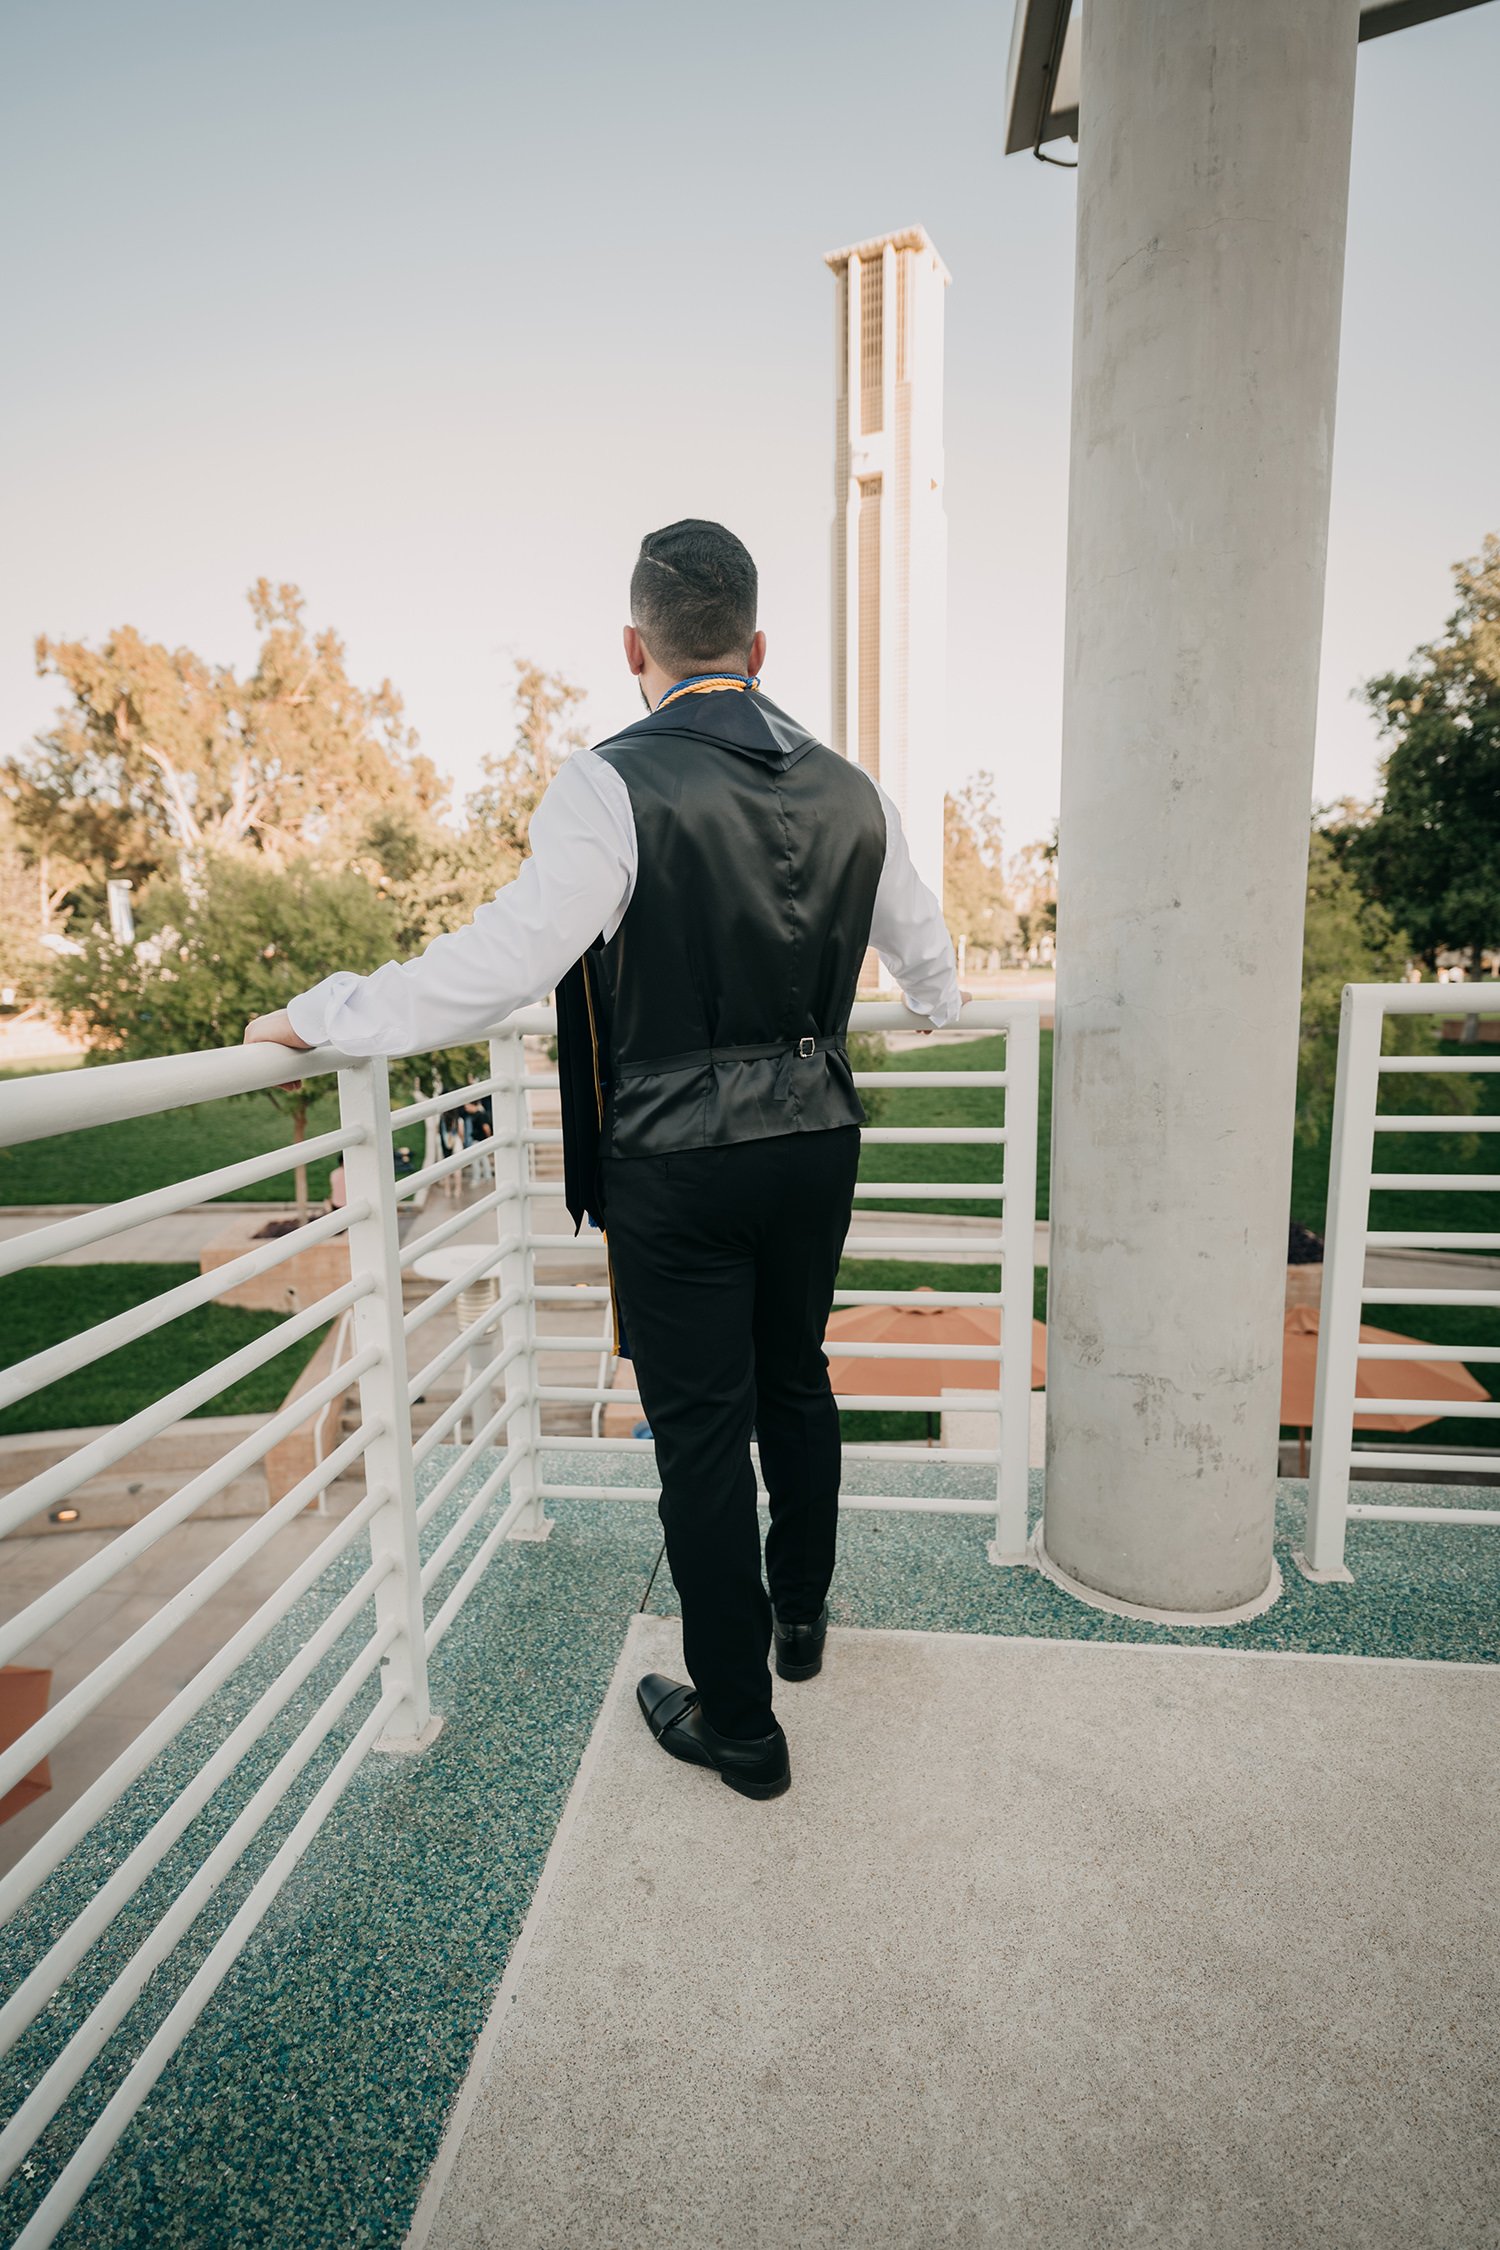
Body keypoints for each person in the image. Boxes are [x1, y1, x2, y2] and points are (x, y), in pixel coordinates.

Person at [245, 519, 961, 1801]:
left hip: (678, 1159)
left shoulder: (609, 784)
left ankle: (740, 1724)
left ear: (633, 645)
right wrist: (922, 1004)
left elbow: (503, 962)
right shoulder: (859, 789)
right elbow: (931, 965)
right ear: (759, 645)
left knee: (700, 1434)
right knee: (798, 1381)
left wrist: (330, 1013)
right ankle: (799, 1622)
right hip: (816, 1140)